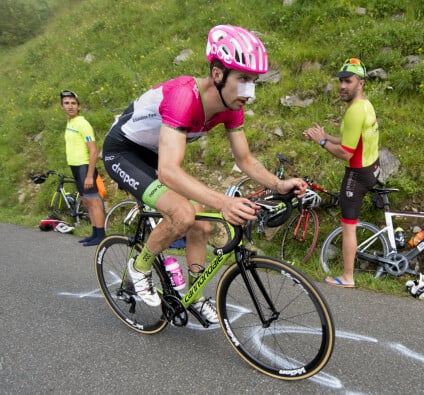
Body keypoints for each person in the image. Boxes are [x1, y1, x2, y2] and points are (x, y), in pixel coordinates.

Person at [102, 25, 307, 322]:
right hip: (123, 152)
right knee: (183, 215)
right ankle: (139, 266)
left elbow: (245, 159)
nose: (250, 92)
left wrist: (279, 183)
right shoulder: (184, 96)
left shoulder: (232, 105)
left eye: (254, 82)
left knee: (202, 225)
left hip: (155, 154)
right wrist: (224, 202)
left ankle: (193, 295)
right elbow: (169, 171)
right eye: (244, 80)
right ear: (217, 74)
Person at [303, 58, 379, 288]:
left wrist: (322, 141)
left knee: (348, 226)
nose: (343, 86)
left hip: (356, 175)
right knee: (350, 224)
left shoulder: (355, 111)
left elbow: (346, 153)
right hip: (371, 167)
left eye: (348, 81)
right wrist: (325, 136)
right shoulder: (365, 105)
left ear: (361, 83)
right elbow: (350, 140)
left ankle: (347, 276)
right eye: (341, 81)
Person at [60, 90, 106, 247]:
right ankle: (94, 233)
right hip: (75, 167)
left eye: (73, 103)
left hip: (84, 167)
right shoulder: (70, 123)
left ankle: (101, 235)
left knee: (94, 201)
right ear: (62, 106)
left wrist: (89, 175)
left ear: (79, 106)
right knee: (87, 201)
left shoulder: (82, 124)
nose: (70, 106)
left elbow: (93, 150)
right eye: (67, 103)